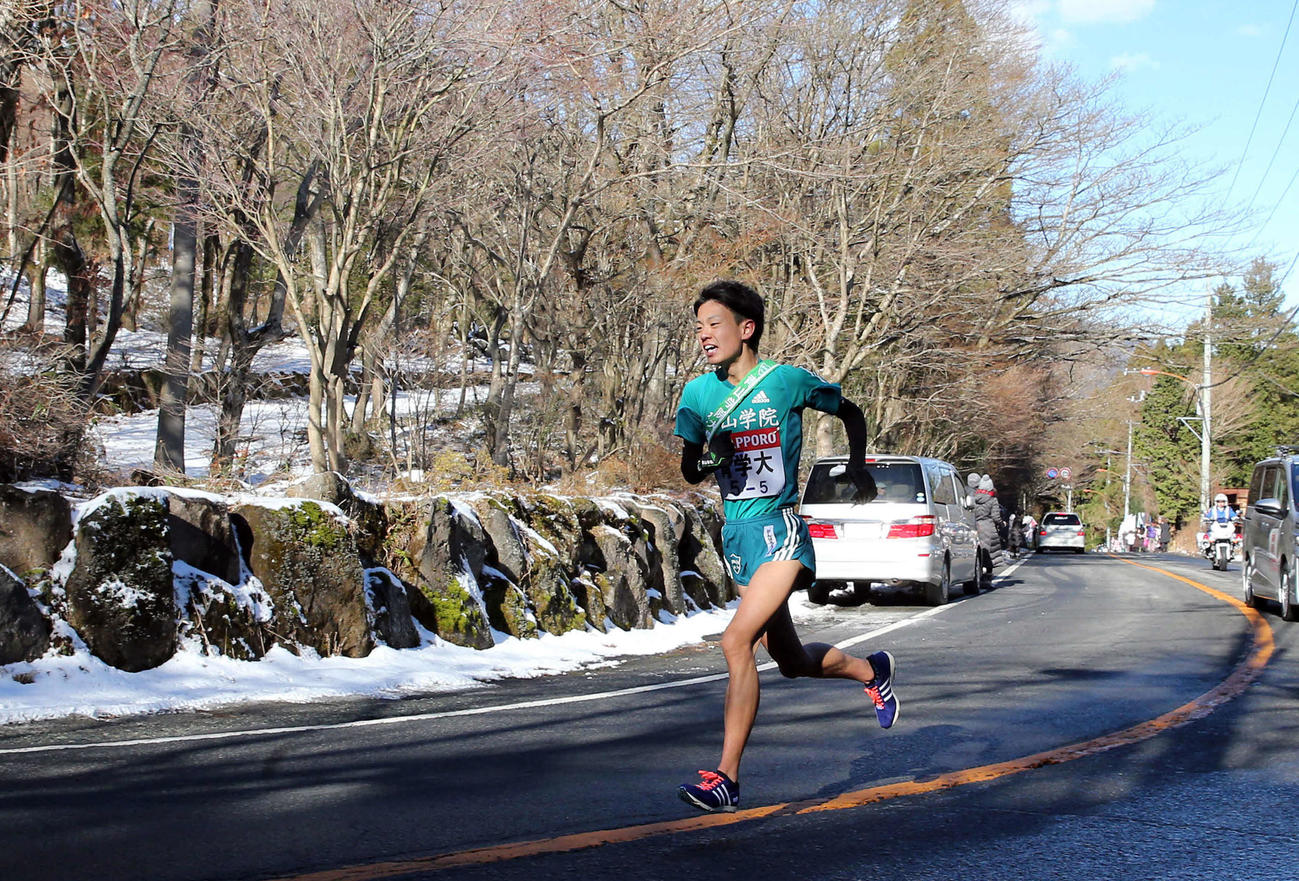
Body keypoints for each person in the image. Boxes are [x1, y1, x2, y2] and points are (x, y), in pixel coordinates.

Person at [672, 280, 898, 814]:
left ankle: (726, 777)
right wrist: (710, 459)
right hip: (738, 536)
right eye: (699, 326)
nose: (703, 335)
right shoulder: (698, 395)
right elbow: (689, 468)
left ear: (745, 328)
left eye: (713, 324)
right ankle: (873, 671)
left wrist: (858, 464)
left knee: (735, 642)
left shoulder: (787, 381)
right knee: (791, 661)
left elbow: (850, 411)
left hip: (782, 531)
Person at [973, 474, 1005, 577]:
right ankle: (988, 577)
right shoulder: (992, 500)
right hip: (988, 527)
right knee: (990, 553)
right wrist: (1002, 523)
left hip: (975, 526)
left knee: (978, 551)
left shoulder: (973, 498)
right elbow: (996, 517)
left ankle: (978, 574)